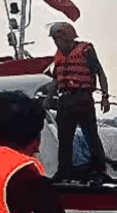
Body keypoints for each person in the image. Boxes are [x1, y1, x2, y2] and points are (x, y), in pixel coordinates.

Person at [47, 22, 110, 182]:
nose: (56, 43)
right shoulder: (59, 54)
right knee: (64, 138)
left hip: (83, 98)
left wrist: (105, 97)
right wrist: (48, 99)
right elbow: (56, 79)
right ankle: (64, 172)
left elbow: (100, 73)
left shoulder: (86, 50)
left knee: (90, 134)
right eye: (54, 40)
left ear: (68, 38)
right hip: (65, 98)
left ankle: (98, 170)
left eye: (58, 39)